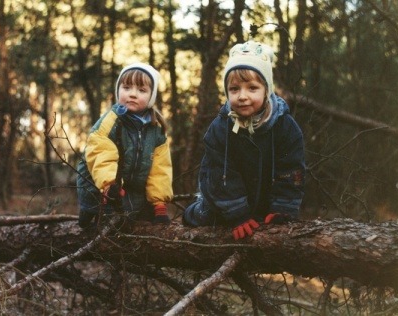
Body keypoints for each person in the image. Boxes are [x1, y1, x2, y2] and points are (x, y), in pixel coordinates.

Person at [183, 41, 305, 240]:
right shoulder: (220, 128)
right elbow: (219, 173)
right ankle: (197, 211)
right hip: (223, 200)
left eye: (252, 88)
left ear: (267, 89)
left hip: (263, 198)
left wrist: (284, 208)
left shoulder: (285, 127)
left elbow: (291, 170)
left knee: (272, 217)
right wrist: (237, 214)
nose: (242, 96)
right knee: (209, 218)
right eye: (234, 89)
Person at [77, 62, 173, 228]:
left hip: (130, 187)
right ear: (118, 90)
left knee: (136, 217)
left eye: (141, 90)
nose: (132, 94)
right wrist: (109, 185)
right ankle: (88, 212)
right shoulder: (111, 121)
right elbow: (101, 154)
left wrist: (159, 204)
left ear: (151, 96)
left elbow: (160, 169)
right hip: (99, 183)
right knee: (110, 220)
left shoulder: (156, 130)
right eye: (127, 87)